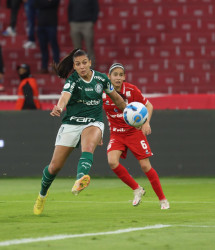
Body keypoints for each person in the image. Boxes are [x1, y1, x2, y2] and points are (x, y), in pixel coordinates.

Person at [33, 49, 127, 215]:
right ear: (74, 67)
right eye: (78, 64)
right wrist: (59, 107)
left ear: (90, 62)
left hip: (94, 121)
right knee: (54, 167)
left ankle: (80, 178)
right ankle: (42, 195)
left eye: (84, 63)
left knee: (89, 146)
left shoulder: (101, 79)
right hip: (71, 123)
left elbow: (117, 99)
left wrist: (129, 113)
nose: (82, 67)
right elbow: (64, 97)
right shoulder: (72, 80)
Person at [103, 63, 170, 210]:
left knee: (145, 166)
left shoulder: (132, 90)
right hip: (116, 133)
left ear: (124, 77)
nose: (118, 77)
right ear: (109, 77)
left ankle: (162, 199)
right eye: (115, 74)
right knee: (112, 162)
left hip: (134, 132)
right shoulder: (103, 92)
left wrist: (146, 123)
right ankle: (137, 189)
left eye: (121, 75)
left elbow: (149, 106)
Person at [68, 0, 99, 68]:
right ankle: (78, 68)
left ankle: (91, 68)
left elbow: (96, 8)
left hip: (87, 23)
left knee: (89, 47)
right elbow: (70, 9)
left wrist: (92, 21)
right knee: (76, 50)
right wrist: (71, 22)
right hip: (75, 24)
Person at [34, 0, 60, 74]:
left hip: (51, 23)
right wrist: (47, 2)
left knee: (54, 45)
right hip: (41, 24)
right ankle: (44, 67)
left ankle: (56, 67)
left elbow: (53, 3)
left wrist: (44, 3)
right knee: (43, 46)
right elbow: (36, 4)